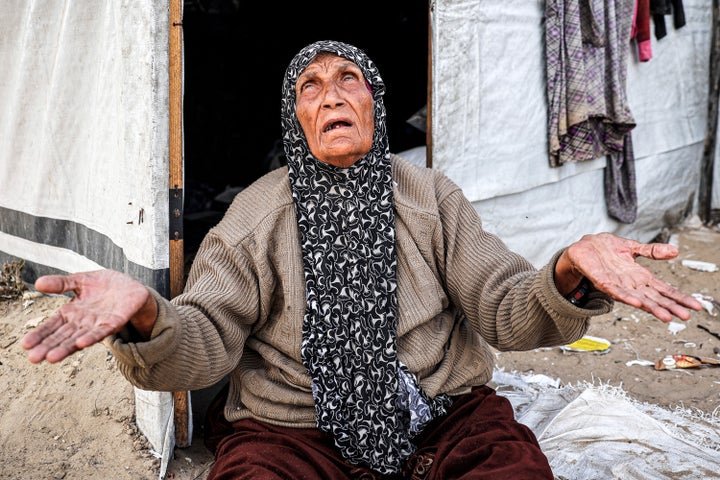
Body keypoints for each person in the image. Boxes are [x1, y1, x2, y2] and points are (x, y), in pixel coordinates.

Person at [21, 40, 702, 479]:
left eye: (349, 79)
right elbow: (204, 343)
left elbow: (503, 305)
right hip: (294, 434)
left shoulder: (431, 197)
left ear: (375, 101)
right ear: (296, 117)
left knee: (512, 468)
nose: (333, 95)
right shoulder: (254, 217)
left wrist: (566, 271)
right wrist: (146, 317)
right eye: (310, 87)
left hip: (441, 416)